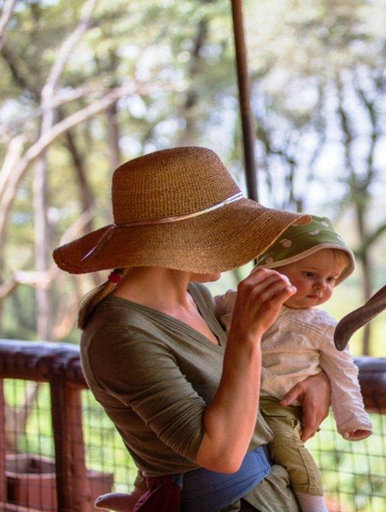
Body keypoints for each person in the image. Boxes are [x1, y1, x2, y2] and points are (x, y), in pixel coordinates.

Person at [53, 146, 332, 512]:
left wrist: (318, 378)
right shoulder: (120, 332)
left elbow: (246, 381)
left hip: (269, 491)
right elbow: (221, 454)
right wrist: (247, 335)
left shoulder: (195, 295)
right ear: (191, 236)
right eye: (227, 230)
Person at [215, 216, 373, 512]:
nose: (321, 287)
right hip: (229, 393)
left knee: (288, 450)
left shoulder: (323, 326)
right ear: (269, 270)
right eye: (311, 274)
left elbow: (344, 373)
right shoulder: (237, 301)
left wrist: (353, 418)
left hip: (279, 405)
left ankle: (315, 505)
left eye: (331, 280)